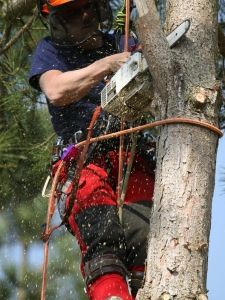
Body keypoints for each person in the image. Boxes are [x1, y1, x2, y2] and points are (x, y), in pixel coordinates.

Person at [29, 0, 155, 299]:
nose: (85, 15)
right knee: (102, 236)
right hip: (84, 161)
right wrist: (107, 65)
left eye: (87, 6)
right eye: (73, 12)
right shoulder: (51, 51)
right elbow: (56, 90)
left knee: (146, 235)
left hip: (132, 155)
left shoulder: (122, 41)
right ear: (58, 21)